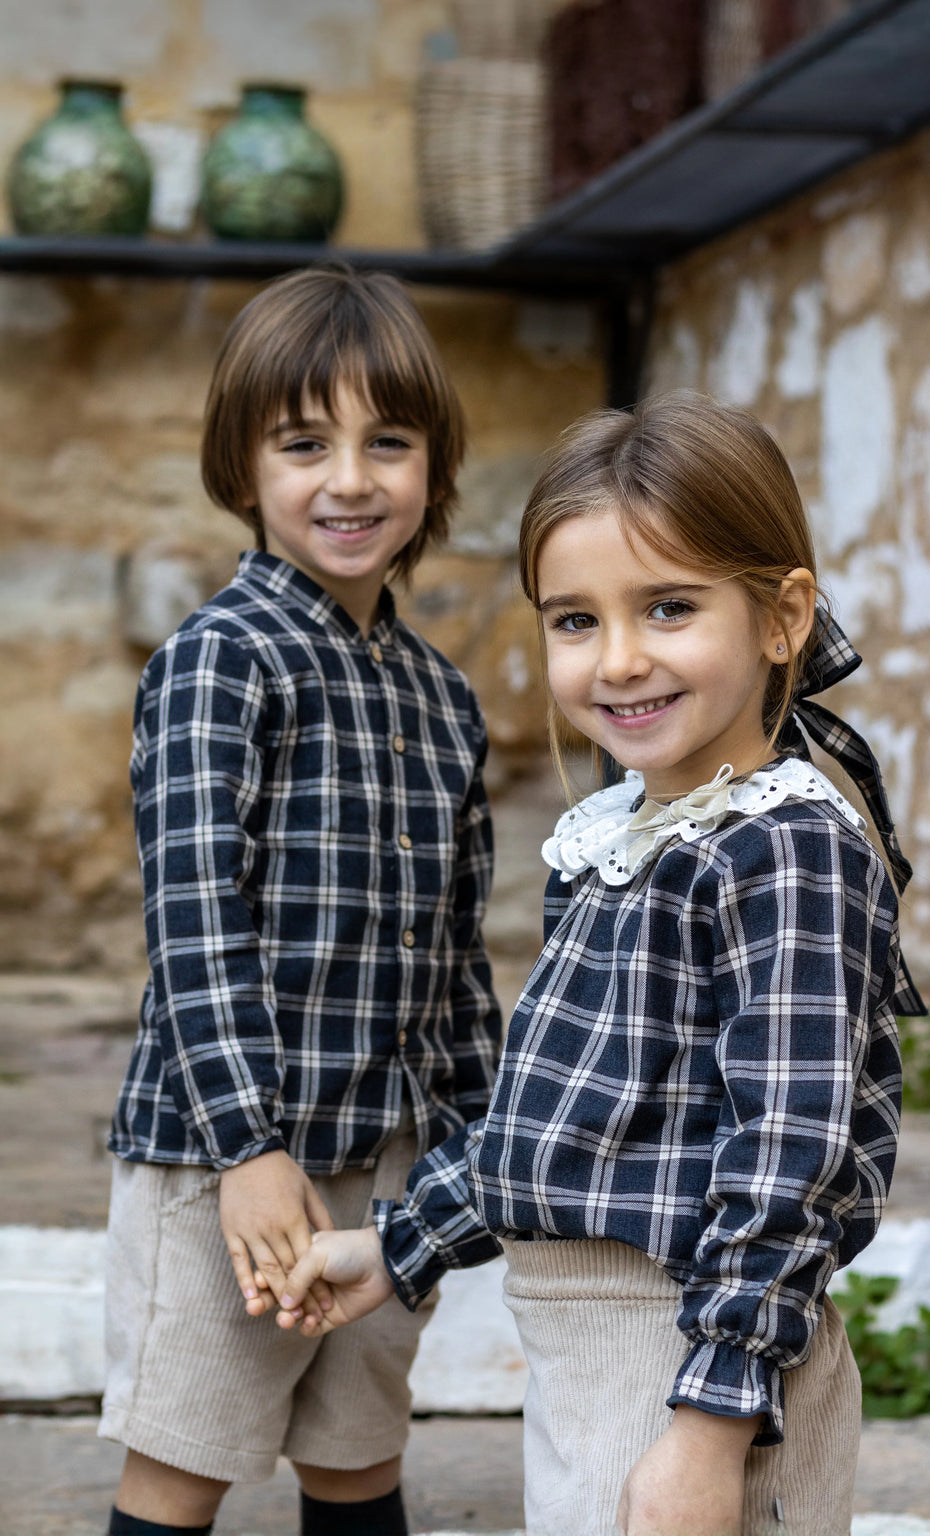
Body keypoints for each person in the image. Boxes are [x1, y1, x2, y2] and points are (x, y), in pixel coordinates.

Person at [270, 390, 926, 1536]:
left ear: (781, 617)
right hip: (598, 1361)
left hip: (692, 1366)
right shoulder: (623, 833)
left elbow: (790, 1161)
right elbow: (561, 1121)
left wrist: (711, 1429)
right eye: (573, 620)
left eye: (668, 608)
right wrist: (400, 1246)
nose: (618, 661)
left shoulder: (783, 848)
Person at [99, 266, 502, 1536]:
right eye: (303, 444)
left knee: (358, 1461)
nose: (349, 479)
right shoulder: (218, 663)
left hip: (387, 1167)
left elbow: (455, 955)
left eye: (388, 441)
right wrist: (249, 1151)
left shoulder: (445, 701)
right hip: (231, 1164)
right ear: (243, 468)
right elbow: (195, 926)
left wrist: (472, 1153)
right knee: (185, 1463)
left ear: (435, 470)